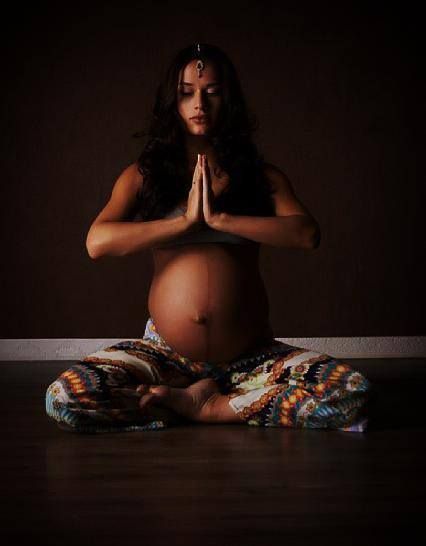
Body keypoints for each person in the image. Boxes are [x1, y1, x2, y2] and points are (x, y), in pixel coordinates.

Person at [45, 43, 372, 434]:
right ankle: (187, 398)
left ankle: (211, 408)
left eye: (212, 92)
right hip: (165, 357)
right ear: (174, 102)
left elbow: (306, 234)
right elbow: (97, 242)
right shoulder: (144, 175)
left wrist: (221, 218)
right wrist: (185, 222)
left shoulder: (259, 176)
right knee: (64, 398)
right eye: (187, 93)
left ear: (228, 99)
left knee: (352, 394)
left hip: (251, 357)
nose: (199, 103)